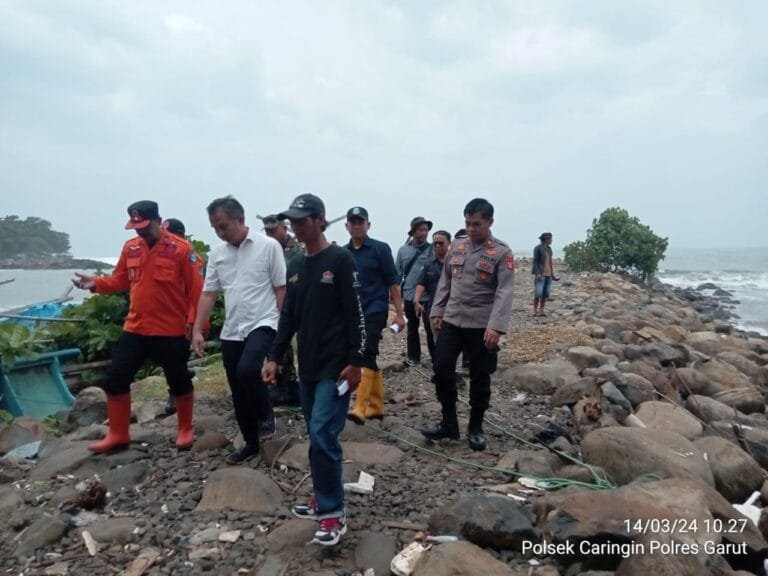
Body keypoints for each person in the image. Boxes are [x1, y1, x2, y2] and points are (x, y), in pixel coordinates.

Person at [262, 193, 365, 547]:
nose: (296, 225)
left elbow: (357, 315)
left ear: (320, 219)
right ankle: (322, 497)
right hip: (306, 365)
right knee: (315, 435)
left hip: (336, 367)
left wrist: (357, 362)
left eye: (303, 219)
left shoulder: (340, 260)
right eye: (292, 220)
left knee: (323, 434)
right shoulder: (294, 265)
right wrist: (274, 356)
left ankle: (334, 512)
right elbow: (288, 316)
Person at [72, 201, 202, 453]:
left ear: (157, 220)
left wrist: (196, 325)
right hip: (136, 327)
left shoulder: (181, 249)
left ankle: (185, 428)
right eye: (135, 227)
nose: (139, 232)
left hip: (171, 329)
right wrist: (96, 283)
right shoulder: (131, 248)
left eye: (144, 226)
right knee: (116, 378)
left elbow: (196, 290)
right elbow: (121, 278)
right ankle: (118, 434)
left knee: (179, 380)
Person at [192, 197, 286, 465]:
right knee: (237, 386)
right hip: (233, 328)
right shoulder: (217, 255)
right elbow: (209, 293)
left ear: (240, 220)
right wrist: (198, 329)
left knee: (247, 370)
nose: (220, 232)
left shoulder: (268, 247)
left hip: (264, 321)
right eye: (215, 228)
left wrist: (283, 328)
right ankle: (251, 442)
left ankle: (266, 412)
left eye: (223, 226)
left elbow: (281, 288)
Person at [422, 198, 515, 452]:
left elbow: (504, 292)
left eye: (477, 224)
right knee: (441, 368)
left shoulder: (501, 252)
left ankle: (475, 427)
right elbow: (445, 282)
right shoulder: (458, 247)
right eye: (467, 223)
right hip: (453, 319)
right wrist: (438, 310)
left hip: (482, 324)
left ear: (490, 222)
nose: (472, 229)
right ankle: (449, 422)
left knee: (480, 376)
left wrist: (496, 327)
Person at [344, 206, 405, 424]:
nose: (357, 225)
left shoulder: (380, 249)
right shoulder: (343, 253)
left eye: (361, 221)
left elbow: (393, 282)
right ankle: (377, 405)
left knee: (365, 353)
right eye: (353, 222)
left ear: (368, 225)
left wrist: (399, 314)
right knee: (366, 355)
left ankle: (361, 406)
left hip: (375, 309)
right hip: (352, 313)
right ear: (347, 226)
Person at [161, 218, 206, 416]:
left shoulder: (191, 257)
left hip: (185, 318)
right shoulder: (161, 256)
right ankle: (181, 383)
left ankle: (177, 395)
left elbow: (197, 293)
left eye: (169, 234)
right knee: (168, 359)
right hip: (165, 317)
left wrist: (193, 321)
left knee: (176, 359)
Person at [261, 214, 303, 407]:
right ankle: (277, 385)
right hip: (269, 303)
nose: (270, 234)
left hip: (293, 302)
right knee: (275, 345)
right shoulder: (264, 249)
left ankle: (290, 386)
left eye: (273, 230)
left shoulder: (296, 250)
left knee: (290, 346)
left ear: (284, 229)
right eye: (267, 231)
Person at [395, 217, 434, 366]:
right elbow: (397, 272)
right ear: (413, 232)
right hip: (409, 295)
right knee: (412, 328)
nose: (424, 233)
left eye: (426, 230)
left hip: (427, 296)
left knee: (430, 328)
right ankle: (413, 357)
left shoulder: (432, 250)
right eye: (421, 230)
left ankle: (435, 356)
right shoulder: (403, 250)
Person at [413, 230, 451, 363]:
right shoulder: (429, 264)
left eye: (441, 243)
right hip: (434, 308)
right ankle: (439, 365)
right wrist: (416, 300)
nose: (438, 246)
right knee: (435, 339)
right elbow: (421, 283)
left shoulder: (456, 263)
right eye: (435, 244)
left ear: (449, 244)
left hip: (453, 309)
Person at [532, 232, 560, 317]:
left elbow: (550, 262)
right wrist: (537, 273)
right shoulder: (537, 248)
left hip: (548, 275)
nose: (551, 240)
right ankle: (534, 311)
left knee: (545, 294)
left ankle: (541, 310)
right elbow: (535, 261)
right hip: (541, 274)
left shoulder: (549, 249)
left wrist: (552, 274)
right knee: (538, 293)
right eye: (550, 239)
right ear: (546, 239)